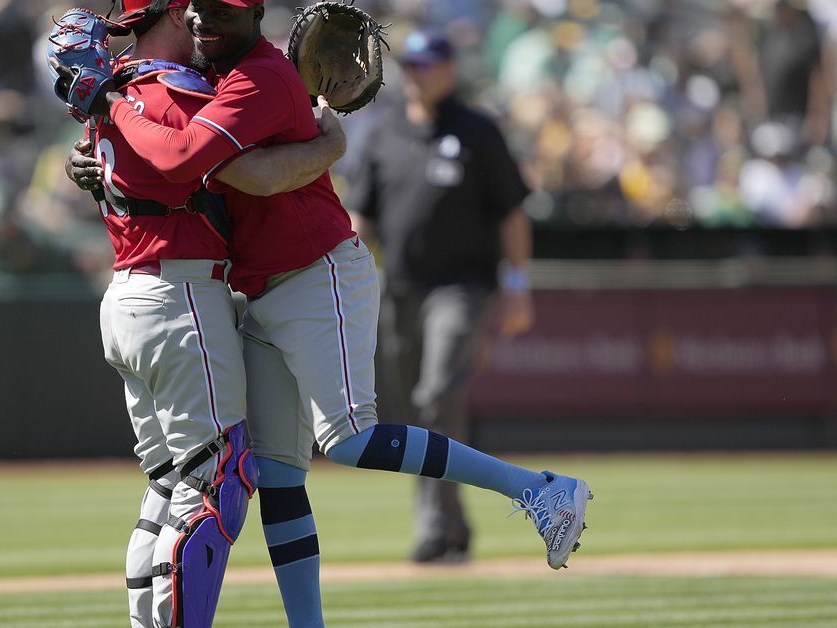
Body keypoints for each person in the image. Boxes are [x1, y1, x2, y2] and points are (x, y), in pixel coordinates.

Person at [77, 2, 592, 625]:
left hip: (317, 271)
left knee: (350, 438)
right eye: (198, 9)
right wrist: (114, 156)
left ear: (256, 14)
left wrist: (115, 118)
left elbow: (226, 168)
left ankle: (539, 491)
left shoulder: (259, 77)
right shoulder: (211, 77)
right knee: (276, 473)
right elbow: (186, 154)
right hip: (263, 286)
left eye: (221, 12)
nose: (204, 21)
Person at [51, 1, 346, 626]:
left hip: (127, 299)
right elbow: (242, 170)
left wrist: (101, 103)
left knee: (165, 493)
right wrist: (329, 144)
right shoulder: (166, 92)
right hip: (178, 296)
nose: (196, 18)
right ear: (161, 14)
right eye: (185, 7)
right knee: (217, 488)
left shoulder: (122, 90)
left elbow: (107, 152)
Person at [345, 29, 536, 564]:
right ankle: (454, 524)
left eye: (427, 64)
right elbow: (364, 217)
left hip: (462, 288)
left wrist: (517, 286)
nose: (417, 73)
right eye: (410, 64)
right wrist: (349, 276)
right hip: (400, 289)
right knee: (417, 415)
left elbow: (512, 213)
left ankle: (433, 524)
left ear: (450, 69)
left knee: (435, 395)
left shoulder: (477, 130)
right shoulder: (382, 133)